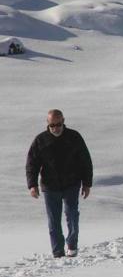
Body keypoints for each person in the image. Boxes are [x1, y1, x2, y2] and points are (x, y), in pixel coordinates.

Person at [26, 109, 93, 258]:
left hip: (72, 183)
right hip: (50, 186)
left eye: (59, 124)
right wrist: (32, 185)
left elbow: (85, 161)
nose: (56, 128)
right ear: (48, 124)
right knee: (53, 220)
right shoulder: (40, 140)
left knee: (72, 215)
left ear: (63, 121)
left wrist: (87, 183)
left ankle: (72, 245)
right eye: (52, 125)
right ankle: (58, 251)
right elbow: (32, 163)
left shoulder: (74, 137)